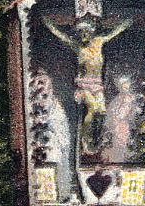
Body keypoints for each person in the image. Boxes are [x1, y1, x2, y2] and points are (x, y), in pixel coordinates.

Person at [43, 14, 134, 156]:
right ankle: (85, 140)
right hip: (84, 84)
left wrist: (124, 25)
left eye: (86, 32)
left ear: (91, 32)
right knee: (92, 110)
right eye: (81, 32)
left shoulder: (98, 41)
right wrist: (50, 25)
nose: (84, 35)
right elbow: (62, 36)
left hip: (97, 83)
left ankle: (95, 138)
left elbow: (113, 33)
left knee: (101, 112)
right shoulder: (78, 46)